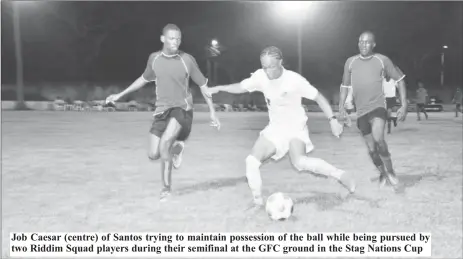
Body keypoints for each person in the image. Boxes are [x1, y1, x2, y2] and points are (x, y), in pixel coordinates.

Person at [207, 46, 356, 207]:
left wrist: (332, 119)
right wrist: (218, 88)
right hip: (275, 129)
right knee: (251, 162)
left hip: (295, 128)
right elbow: (241, 87)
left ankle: (341, 175)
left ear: (281, 62)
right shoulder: (260, 76)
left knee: (300, 162)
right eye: (264, 67)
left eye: (271, 66)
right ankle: (257, 203)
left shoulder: (294, 80)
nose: (268, 71)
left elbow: (318, 97)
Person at [106, 24, 220, 201]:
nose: (176, 42)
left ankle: (166, 189)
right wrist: (120, 94)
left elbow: (204, 86)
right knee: (153, 154)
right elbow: (143, 79)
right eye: (172, 38)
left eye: (178, 39)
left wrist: (212, 112)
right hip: (161, 111)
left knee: (165, 143)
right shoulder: (154, 59)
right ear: (163, 39)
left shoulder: (187, 60)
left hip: (182, 109)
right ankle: (177, 149)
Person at [338, 31, 407, 188]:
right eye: (361, 41)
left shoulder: (382, 60)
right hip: (361, 111)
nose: (363, 44)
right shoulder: (350, 62)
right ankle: (382, 172)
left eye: (367, 42)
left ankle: (390, 171)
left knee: (378, 139)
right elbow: (344, 86)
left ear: (373, 44)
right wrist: (341, 107)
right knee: (371, 149)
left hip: (378, 106)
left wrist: (404, 104)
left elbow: (401, 80)